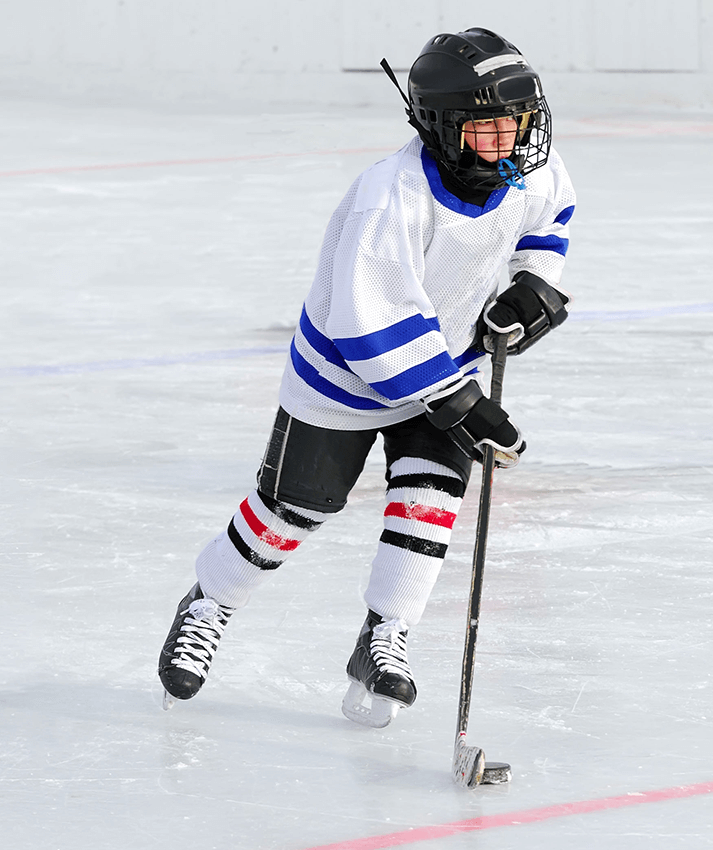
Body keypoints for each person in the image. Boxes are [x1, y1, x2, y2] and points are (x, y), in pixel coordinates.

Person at [156, 27, 575, 728]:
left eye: (520, 120)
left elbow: (548, 222)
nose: (512, 138)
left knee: (429, 505)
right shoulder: (389, 197)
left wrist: (532, 288)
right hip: (343, 382)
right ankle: (209, 601)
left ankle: (386, 637)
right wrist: (455, 397)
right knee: (290, 516)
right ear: (443, 128)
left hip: (445, 369)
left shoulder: (529, 168)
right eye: (489, 125)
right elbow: (373, 325)